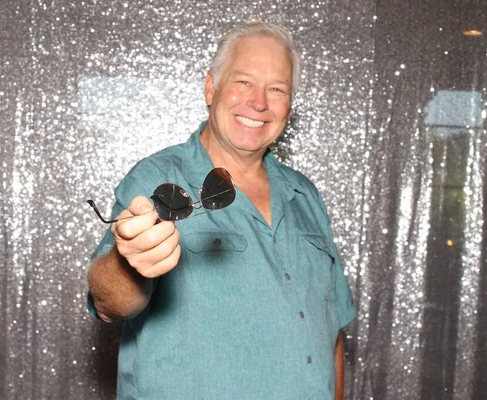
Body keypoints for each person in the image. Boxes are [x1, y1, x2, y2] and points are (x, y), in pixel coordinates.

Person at [87, 21, 356, 399]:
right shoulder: (159, 178)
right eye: (244, 82)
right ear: (211, 87)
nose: (259, 102)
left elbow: (330, 333)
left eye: (276, 89)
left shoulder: (305, 194)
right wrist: (128, 261)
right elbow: (108, 301)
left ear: (290, 107)